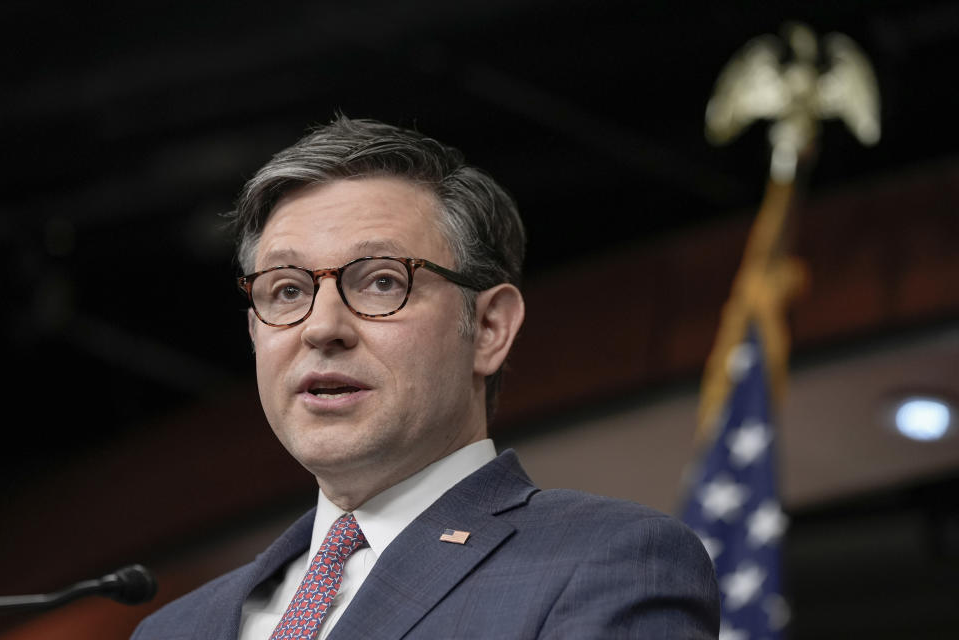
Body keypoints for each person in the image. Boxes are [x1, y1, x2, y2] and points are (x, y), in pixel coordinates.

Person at [131, 116, 719, 639]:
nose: (321, 327)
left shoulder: (606, 562)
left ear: (488, 327)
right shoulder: (172, 628)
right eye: (287, 291)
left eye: (382, 281)